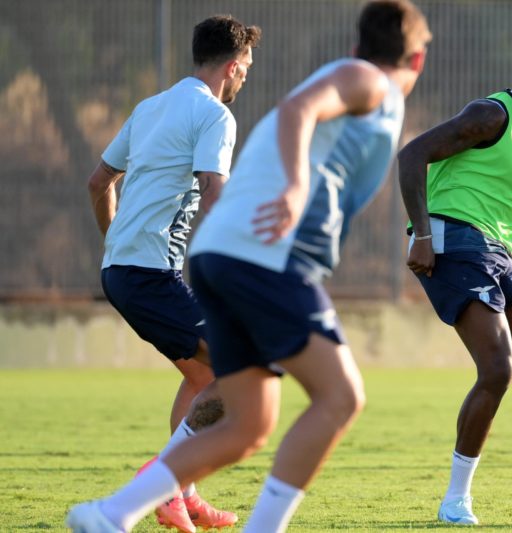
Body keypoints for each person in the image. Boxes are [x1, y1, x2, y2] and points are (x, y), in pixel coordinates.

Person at [66, 1, 431, 532]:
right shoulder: (367, 80)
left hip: (219, 257)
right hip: (262, 258)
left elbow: (101, 181)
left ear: (357, 45)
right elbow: (296, 111)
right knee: (340, 395)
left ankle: (110, 514)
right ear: (417, 61)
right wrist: (296, 184)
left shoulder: (154, 106)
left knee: (249, 422)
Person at [80, 14, 260, 532]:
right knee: (239, 374)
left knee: (205, 376)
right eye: (246, 67)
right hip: (150, 274)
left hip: (123, 269)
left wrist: (114, 241)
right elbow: (213, 192)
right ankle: (161, 482)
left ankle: (184, 494)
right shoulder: (215, 117)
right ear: (231, 66)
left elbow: (98, 182)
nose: (245, 77)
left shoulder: (150, 106)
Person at [398, 38, 512, 525]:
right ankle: (455, 499)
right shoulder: (491, 115)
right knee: (499, 368)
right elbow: (412, 154)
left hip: (495, 255)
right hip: (452, 239)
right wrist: (421, 234)